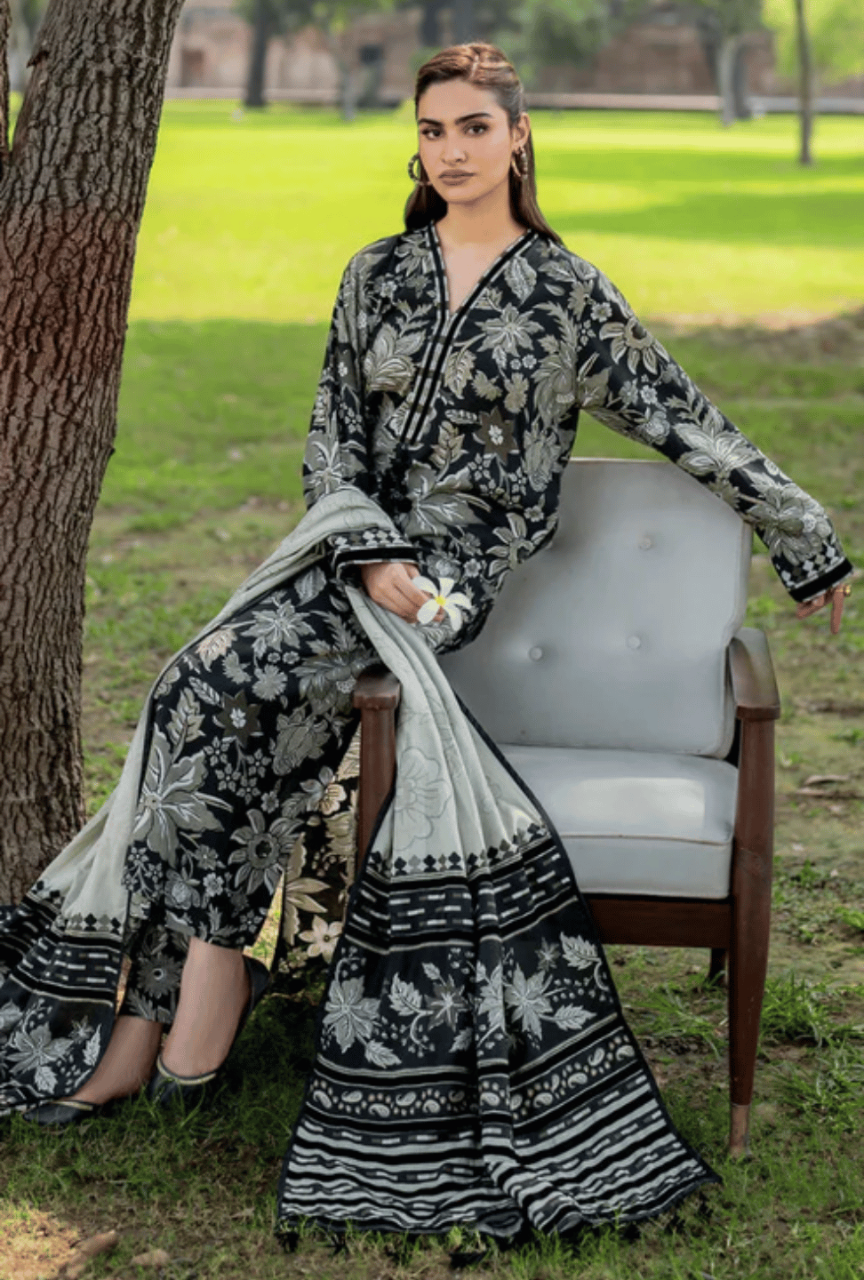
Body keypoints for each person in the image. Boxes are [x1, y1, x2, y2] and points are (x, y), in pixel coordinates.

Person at [0, 42, 853, 1239]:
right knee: (201, 681)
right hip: (350, 554)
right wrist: (364, 552)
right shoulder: (376, 275)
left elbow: (681, 417)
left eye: (472, 127)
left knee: (241, 689)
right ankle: (195, 970)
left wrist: (803, 528)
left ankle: (182, 1000)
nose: (450, 149)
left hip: (452, 582)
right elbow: (329, 441)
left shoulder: (566, 296)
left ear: (518, 137)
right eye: (432, 131)